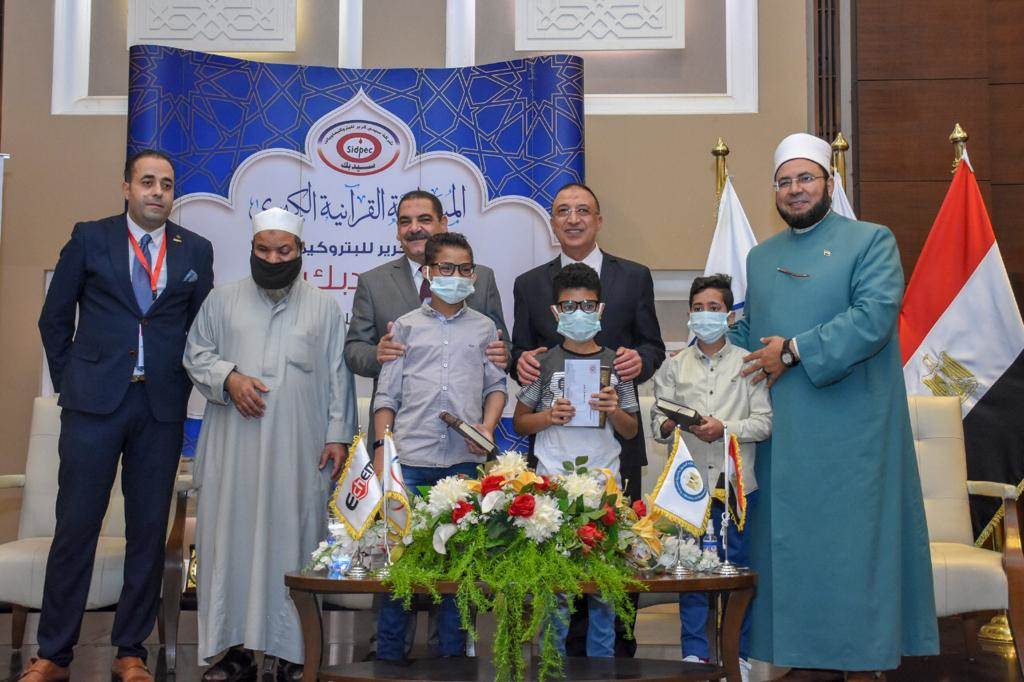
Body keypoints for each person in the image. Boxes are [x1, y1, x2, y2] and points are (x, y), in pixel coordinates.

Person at [734, 133, 938, 680]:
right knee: (788, 555)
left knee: (851, 555)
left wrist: (794, 351)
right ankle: (787, 658)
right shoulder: (760, 257)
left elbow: (873, 319)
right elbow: (752, 333)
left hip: (853, 436)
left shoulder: (871, 240)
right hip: (783, 437)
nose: (794, 189)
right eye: (784, 181)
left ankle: (860, 664)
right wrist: (708, 347)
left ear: (829, 182)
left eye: (806, 178)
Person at [30, 150, 213, 682]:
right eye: (147, 181)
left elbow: (201, 330)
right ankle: (54, 654)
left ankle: (130, 651)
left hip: (159, 407)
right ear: (126, 187)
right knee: (76, 527)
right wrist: (73, 382)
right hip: (92, 406)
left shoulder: (194, 249)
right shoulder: (90, 238)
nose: (158, 191)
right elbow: (54, 319)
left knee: (148, 531)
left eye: (167, 184)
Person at [183, 207, 358, 681]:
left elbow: (338, 376)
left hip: (298, 452)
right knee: (229, 545)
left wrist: (338, 436)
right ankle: (232, 652)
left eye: (283, 250)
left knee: (294, 545)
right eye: (264, 250)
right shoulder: (221, 300)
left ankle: (292, 653)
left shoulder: (323, 306)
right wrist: (229, 378)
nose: (273, 259)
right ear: (252, 250)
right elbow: (195, 354)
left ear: (300, 251)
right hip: (233, 450)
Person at [511, 182, 664, 656]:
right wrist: (522, 362)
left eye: (583, 210)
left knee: (614, 562)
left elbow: (653, 346)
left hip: (612, 457)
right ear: (552, 222)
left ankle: (615, 656)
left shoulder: (634, 276)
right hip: (554, 457)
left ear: (599, 219)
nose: (573, 219)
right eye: (563, 211)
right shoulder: (529, 283)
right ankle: (560, 657)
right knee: (556, 569)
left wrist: (638, 361)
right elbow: (520, 352)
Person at [372, 232, 507, 662]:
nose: (456, 276)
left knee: (458, 571)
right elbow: (386, 396)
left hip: (462, 465)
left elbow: (497, 387)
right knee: (401, 566)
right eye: (446, 268)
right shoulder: (404, 327)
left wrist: (486, 427)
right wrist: (382, 450)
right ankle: (389, 659)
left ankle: (454, 660)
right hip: (410, 462)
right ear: (428, 273)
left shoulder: (485, 328)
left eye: (465, 269)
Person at [512, 262, 640, 658]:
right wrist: (549, 416)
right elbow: (520, 422)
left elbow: (631, 429)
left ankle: (602, 665)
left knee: (603, 588)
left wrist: (614, 409)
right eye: (569, 306)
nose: (578, 313)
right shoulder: (542, 363)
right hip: (552, 490)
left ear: (600, 310)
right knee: (555, 588)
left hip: (604, 488)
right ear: (556, 313)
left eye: (586, 306)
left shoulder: (617, 364)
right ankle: (552, 663)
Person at [650, 274, 772, 682]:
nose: (705, 315)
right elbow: (656, 420)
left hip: (735, 485)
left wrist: (725, 428)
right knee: (689, 570)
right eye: (698, 309)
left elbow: (764, 424)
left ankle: (738, 656)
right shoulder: (674, 365)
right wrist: (669, 424)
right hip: (689, 488)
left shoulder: (749, 363)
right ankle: (695, 655)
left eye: (714, 308)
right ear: (689, 315)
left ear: (729, 315)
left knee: (736, 570)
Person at [345, 189, 509, 437]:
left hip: (467, 433)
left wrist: (503, 353)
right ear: (397, 231)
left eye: (424, 219)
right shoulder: (373, 282)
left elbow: (503, 346)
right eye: (405, 222)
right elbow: (353, 351)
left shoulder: (480, 278)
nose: (414, 228)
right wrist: (377, 354)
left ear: (443, 223)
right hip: (396, 435)